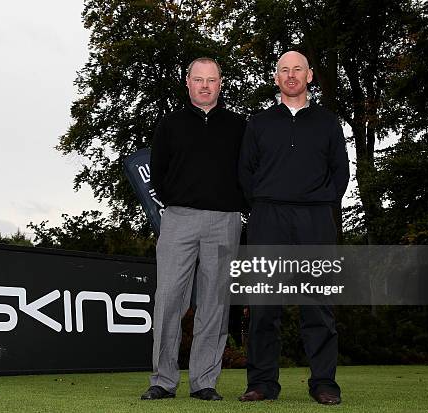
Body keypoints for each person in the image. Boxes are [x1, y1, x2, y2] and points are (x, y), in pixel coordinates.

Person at [237, 51, 350, 405]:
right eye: (284, 70)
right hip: (268, 218)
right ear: (275, 78)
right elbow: (244, 172)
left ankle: (324, 384)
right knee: (263, 306)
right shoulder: (258, 122)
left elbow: (341, 172)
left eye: (297, 69)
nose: (291, 75)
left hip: (314, 220)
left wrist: (319, 201)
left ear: (309, 76)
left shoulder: (328, 122)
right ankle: (262, 383)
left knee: (318, 305)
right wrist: (262, 202)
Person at [140, 57, 246, 401]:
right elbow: (158, 173)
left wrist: (236, 206)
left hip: (224, 221)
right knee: (169, 299)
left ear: (220, 83)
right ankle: (163, 380)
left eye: (211, 79)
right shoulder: (170, 125)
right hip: (179, 220)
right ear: (187, 83)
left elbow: (249, 171)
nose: (204, 85)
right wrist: (180, 203)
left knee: (215, 303)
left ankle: (204, 382)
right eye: (198, 79)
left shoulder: (239, 126)